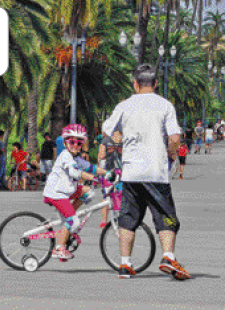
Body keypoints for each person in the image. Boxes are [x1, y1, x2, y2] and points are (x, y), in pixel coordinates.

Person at [102, 64, 190, 280]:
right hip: (155, 172)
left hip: (131, 172)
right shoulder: (165, 105)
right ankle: (168, 256)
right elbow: (175, 138)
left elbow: (106, 130)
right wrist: (170, 153)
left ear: (135, 83)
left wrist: (120, 143)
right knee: (166, 216)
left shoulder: (125, 105)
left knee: (128, 218)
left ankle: (125, 265)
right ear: (156, 83)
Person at [43, 124, 113, 260]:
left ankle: (68, 216)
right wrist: (95, 179)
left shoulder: (76, 157)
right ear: (65, 143)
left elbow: (91, 167)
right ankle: (59, 248)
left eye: (79, 142)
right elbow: (75, 172)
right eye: (72, 142)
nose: (76, 145)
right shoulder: (65, 157)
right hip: (56, 193)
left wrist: (108, 173)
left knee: (89, 192)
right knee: (73, 222)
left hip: (67, 190)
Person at [97, 131, 123, 228]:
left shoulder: (106, 140)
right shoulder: (123, 140)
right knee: (120, 194)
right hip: (121, 172)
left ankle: (104, 220)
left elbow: (101, 156)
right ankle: (121, 218)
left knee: (106, 196)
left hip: (109, 172)